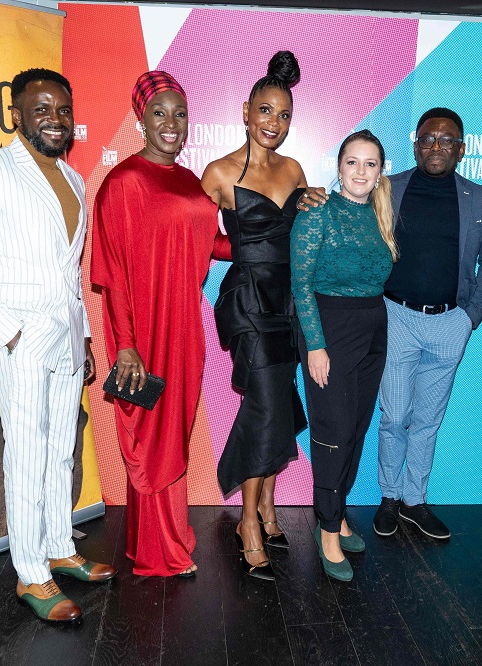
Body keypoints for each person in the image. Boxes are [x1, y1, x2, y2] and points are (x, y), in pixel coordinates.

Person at [0, 68, 116, 622]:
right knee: (27, 450)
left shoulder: (73, 180)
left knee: (62, 445)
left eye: (63, 110)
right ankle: (31, 575)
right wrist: (8, 335)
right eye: (41, 109)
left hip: (65, 335)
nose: (55, 119)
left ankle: (58, 546)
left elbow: (71, 274)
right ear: (15, 113)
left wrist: (83, 337)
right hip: (18, 338)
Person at [308, 108, 482, 541]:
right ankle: (389, 497)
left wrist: (470, 317)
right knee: (394, 417)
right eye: (429, 138)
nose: (436, 147)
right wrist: (309, 195)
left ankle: (415, 501)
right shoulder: (390, 189)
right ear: (415, 144)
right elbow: (346, 208)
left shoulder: (481, 199)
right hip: (396, 319)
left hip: (451, 322)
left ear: (462, 150)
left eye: (447, 140)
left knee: (429, 420)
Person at [91, 71, 229, 578]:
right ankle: (158, 551)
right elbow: (113, 275)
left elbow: (210, 244)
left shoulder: (190, 179)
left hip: (184, 327)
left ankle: (164, 533)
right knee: (152, 436)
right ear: (141, 119)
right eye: (160, 114)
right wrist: (125, 347)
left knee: (174, 432)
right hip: (144, 332)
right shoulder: (123, 182)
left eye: (180, 114)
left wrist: (267, 234)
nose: (172, 124)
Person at [201, 51, 310, 581]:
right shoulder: (219, 172)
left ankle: (267, 506)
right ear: (246, 111)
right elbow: (196, 239)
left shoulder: (294, 170)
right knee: (267, 409)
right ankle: (247, 522)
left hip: (288, 303)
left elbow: (301, 238)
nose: (274, 123)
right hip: (247, 302)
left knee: (279, 406)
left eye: (284, 115)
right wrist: (239, 251)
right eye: (265, 111)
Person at [291, 130, 397, 581]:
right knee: (332, 432)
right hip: (329, 329)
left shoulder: (380, 213)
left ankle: (337, 515)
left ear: (380, 172)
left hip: (373, 327)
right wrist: (315, 345)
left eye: (370, 164)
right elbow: (301, 285)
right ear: (338, 168)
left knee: (354, 428)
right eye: (352, 162)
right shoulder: (317, 213)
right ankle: (326, 530)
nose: (360, 171)